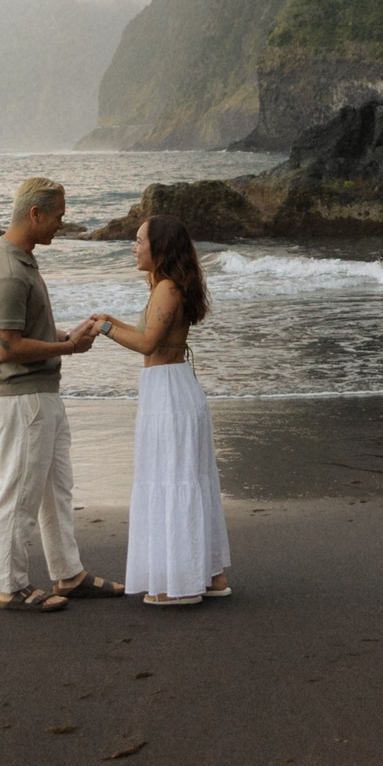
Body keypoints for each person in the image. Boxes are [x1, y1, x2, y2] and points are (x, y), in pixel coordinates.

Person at [0, 175, 125, 613]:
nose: (62, 224)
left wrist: (65, 336)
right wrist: (67, 347)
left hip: (40, 394)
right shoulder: (9, 270)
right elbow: (7, 347)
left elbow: (25, 334)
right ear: (35, 213)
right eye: (58, 216)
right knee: (21, 492)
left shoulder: (20, 261)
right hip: (23, 397)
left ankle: (68, 574)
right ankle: (10, 586)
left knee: (55, 488)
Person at [89, 215, 230, 606]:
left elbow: (148, 343)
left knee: (173, 480)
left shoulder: (167, 288)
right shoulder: (165, 286)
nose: (133, 247)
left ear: (159, 247)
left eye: (138, 241)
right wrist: (108, 320)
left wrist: (104, 331)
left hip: (168, 394)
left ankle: (178, 584)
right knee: (188, 479)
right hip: (170, 389)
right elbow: (147, 333)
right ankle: (211, 575)